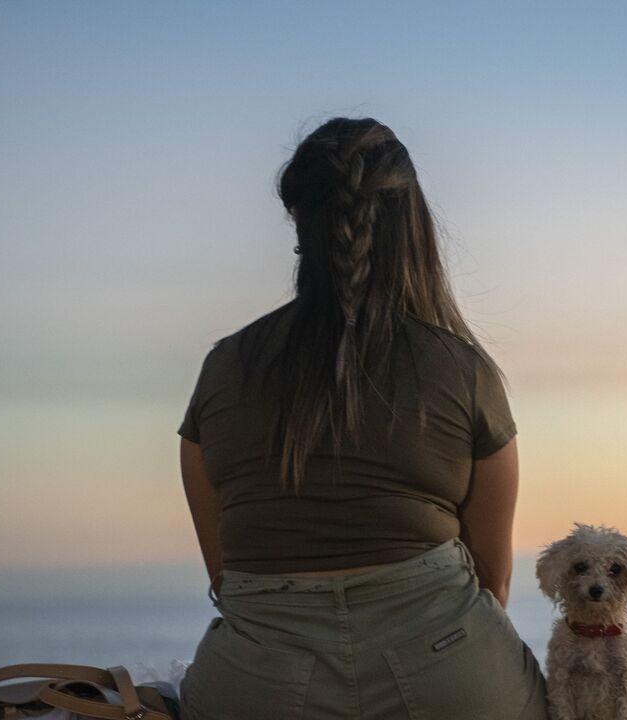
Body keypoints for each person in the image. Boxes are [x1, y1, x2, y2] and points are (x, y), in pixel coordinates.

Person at [176, 117, 547, 720]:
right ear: (413, 227)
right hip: (446, 666)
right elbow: (492, 588)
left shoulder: (225, 367)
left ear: (301, 223)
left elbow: (226, 574)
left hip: (257, 681)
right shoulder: (463, 369)